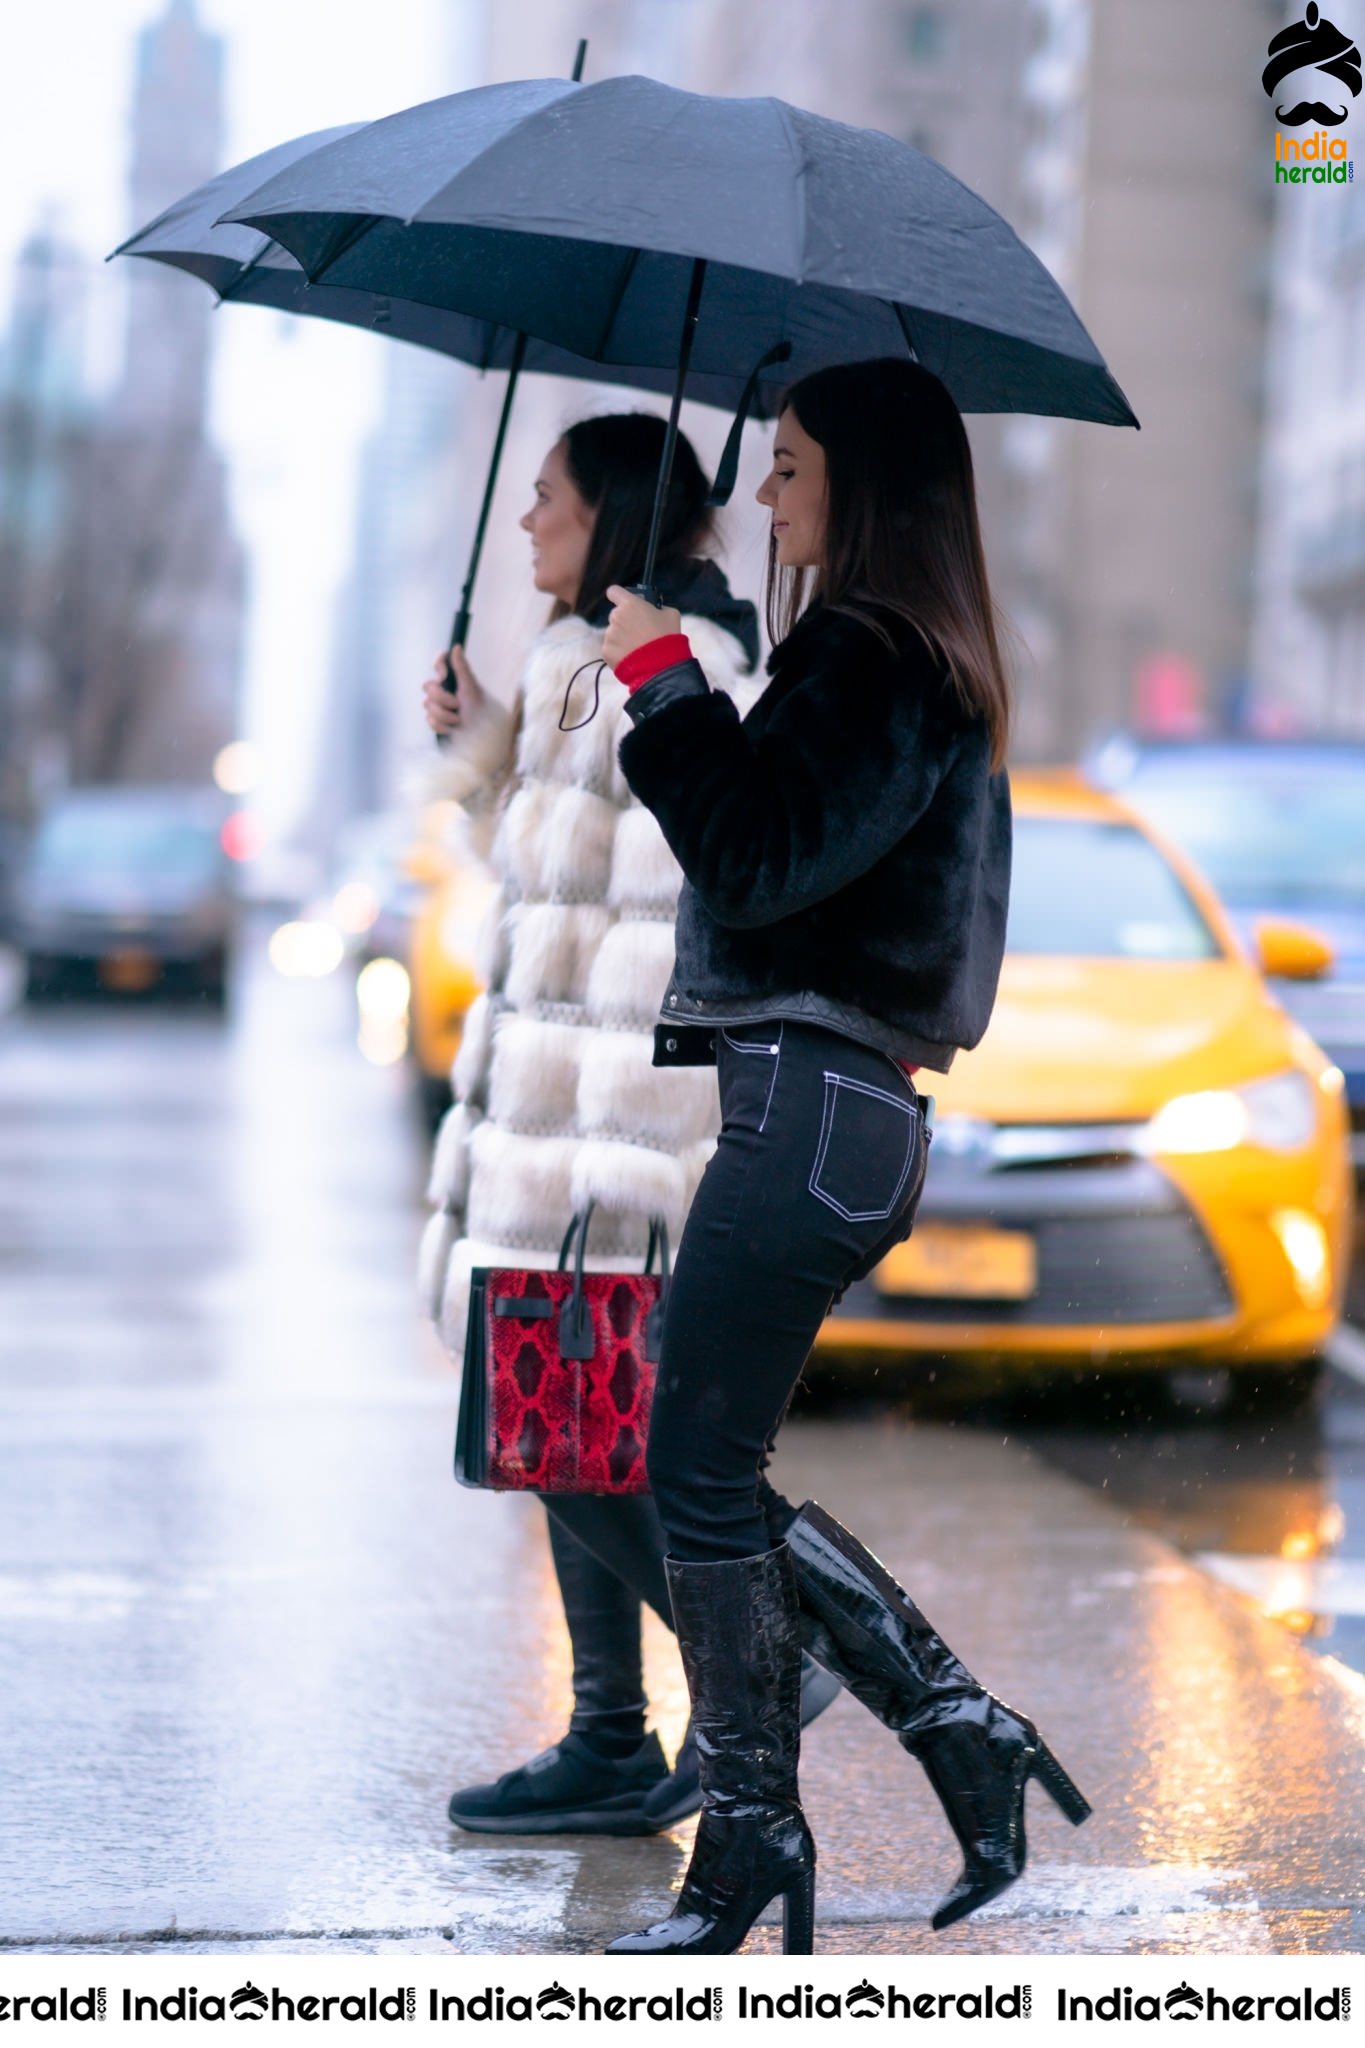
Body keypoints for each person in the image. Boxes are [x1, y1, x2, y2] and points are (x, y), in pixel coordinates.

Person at [596, 358, 1092, 1955]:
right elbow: (783, 853)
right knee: (702, 1467)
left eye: (792, 469)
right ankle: (942, 1739)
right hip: (821, 1111)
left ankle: (762, 1827)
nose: (764, 495)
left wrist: (668, 678)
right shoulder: (892, 657)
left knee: (691, 1469)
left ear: (863, 487)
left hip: (817, 1106)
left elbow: (751, 858)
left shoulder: (876, 657)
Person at [418, 411, 840, 1840]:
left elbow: (686, 901)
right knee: (560, 1425)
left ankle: (763, 1657)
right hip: (535, 1111)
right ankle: (608, 1733)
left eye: (550, 499)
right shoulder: (566, 662)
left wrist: (635, 1133)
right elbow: (546, 878)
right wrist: (481, 751)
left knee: (564, 1432)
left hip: (613, 1128)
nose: (529, 520)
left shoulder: (689, 663)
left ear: (614, 516)